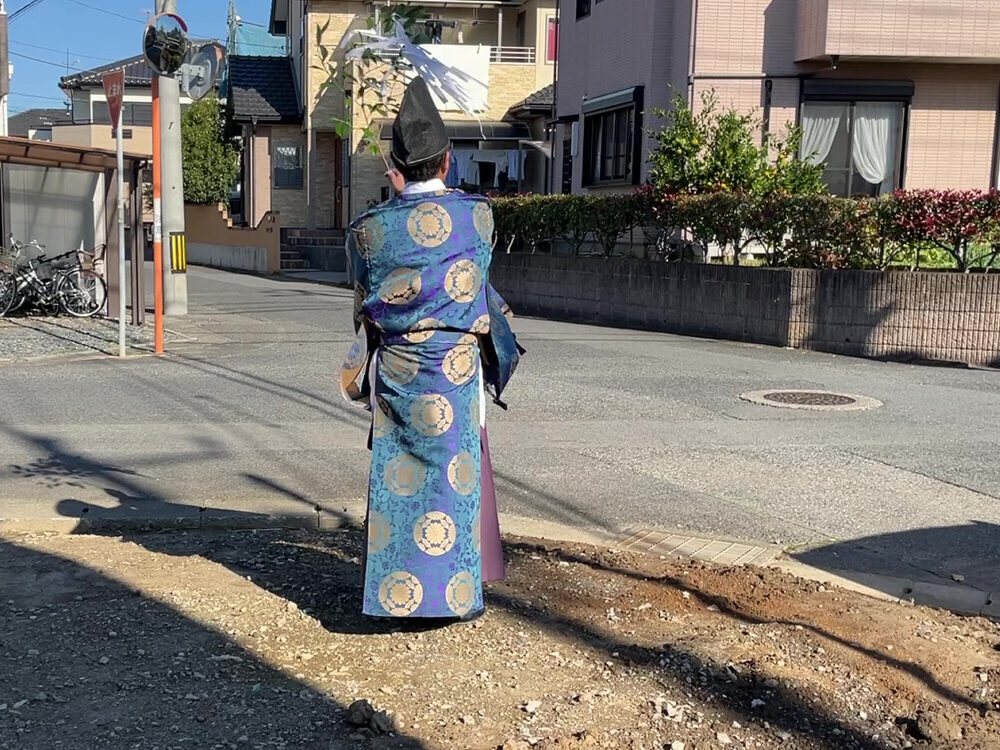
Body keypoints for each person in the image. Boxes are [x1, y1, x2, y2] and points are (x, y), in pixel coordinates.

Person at [340, 76, 512, 622]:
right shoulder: (478, 215)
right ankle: (455, 597)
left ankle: (395, 598)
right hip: (456, 369)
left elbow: (363, 301)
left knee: (399, 479)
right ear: (447, 160)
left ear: (395, 167)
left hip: (397, 368)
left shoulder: (368, 230)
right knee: (454, 481)